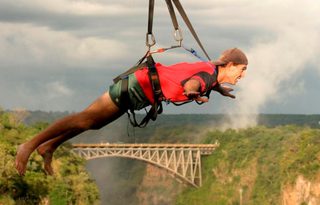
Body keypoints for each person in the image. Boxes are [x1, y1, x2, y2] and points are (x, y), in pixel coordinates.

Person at [15, 48, 248, 176]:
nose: (243, 75)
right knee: (85, 119)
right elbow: (193, 84)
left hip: (139, 90)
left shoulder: (210, 72)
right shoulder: (206, 76)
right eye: (242, 69)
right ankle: (29, 145)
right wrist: (194, 94)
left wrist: (218, 90)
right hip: (136, 87)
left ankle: (49, 146)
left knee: (92, 123)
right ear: (228, 65)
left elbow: (206, 79)